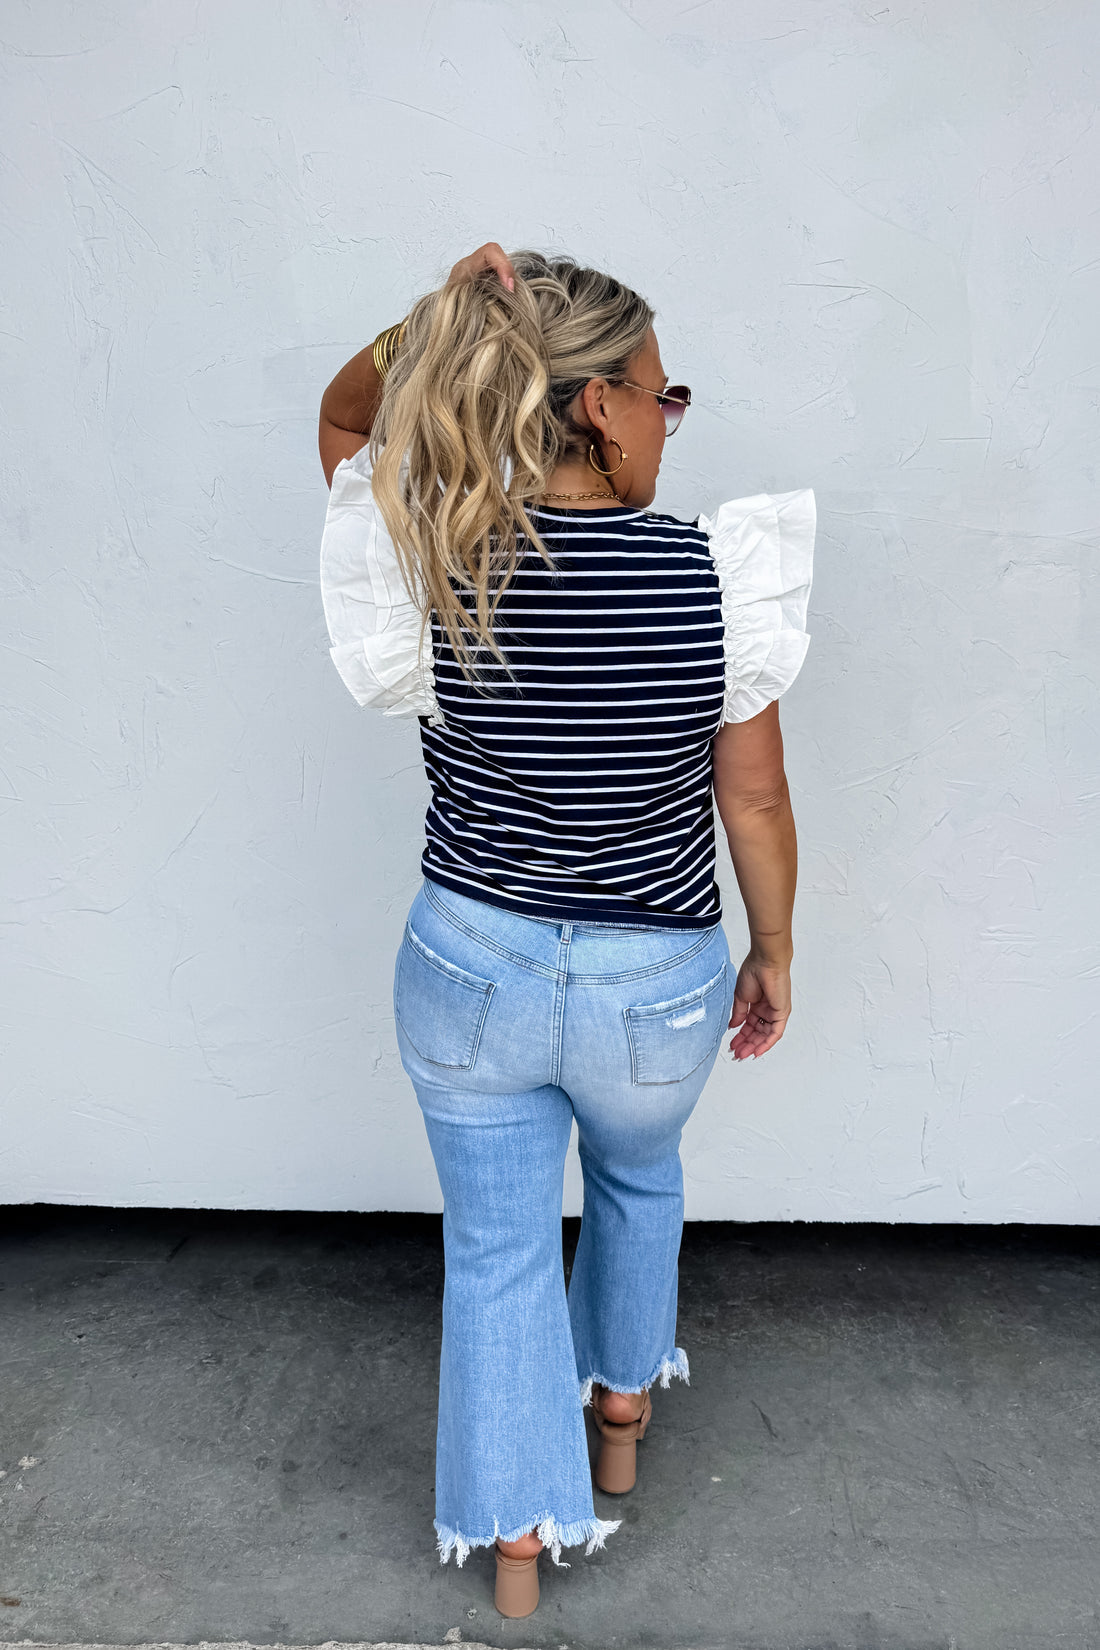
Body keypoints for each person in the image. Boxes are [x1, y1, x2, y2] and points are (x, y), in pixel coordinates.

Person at [317, 242, 815, 1619]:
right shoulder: (716, 580)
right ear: (602, 406)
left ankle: (517, 1549)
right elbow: (755, 802)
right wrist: (773, 952)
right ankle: (619, 1417)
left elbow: (345, 419)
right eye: (665, 396)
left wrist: (429, 319)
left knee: (496, 1248)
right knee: (640, 1178)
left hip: (467, 968)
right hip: (653, 989)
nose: (670, 421)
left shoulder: (440, 557)